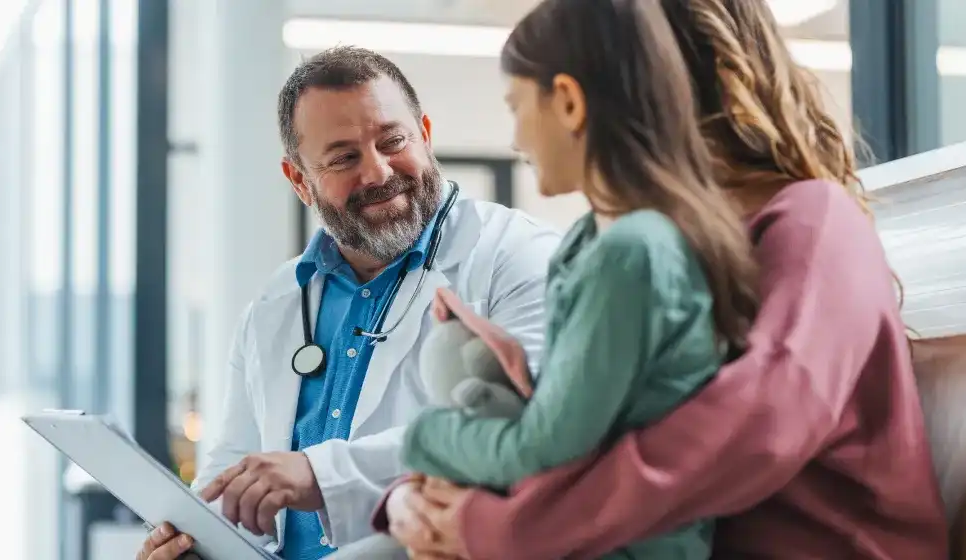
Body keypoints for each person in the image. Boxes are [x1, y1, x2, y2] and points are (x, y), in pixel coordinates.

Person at [379, 0, 951, 558]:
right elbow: (586, 429)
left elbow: (752, 432)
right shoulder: (642, 244)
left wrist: (500, 528)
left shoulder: (814, 223)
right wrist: (417, 495)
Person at [334, 0, 761, 558]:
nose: (515, 138)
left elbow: (547, 446)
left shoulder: (633, 252)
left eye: (516, 107)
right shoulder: (589, 243)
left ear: (568, 101)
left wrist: (424, 439)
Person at [134, 46, 560, 560]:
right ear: (299, 181)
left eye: (393, 140)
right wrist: (195, 540)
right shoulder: (277, 302)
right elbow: (236, 465)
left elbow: (530, 426)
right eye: (343, 158)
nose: (378, 173)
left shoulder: (515, 255)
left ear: (424, 134)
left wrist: (320, 473)